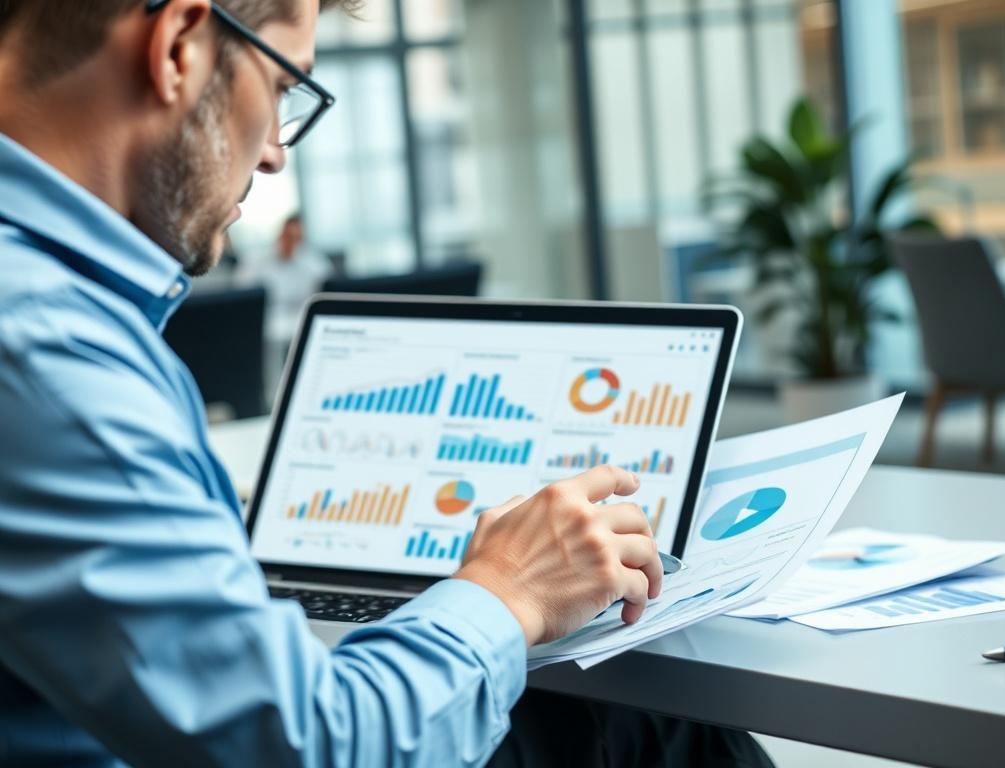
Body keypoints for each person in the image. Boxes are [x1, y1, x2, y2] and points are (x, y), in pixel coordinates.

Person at [0, 1, 773, 766]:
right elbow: (323, 749)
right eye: (282, 86)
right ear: (178, 46)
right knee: (653, 731)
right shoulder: (46, 350)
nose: (274, 154)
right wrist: (511, 585)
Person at [237, 211, 332, 334]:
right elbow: (243, 296)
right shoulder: (256, 263)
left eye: (296, 238)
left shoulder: (316, 263)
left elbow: (326, 296)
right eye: (288, 236)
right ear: (279, 235)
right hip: (268, 325)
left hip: (302, 323)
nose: (291, 243)